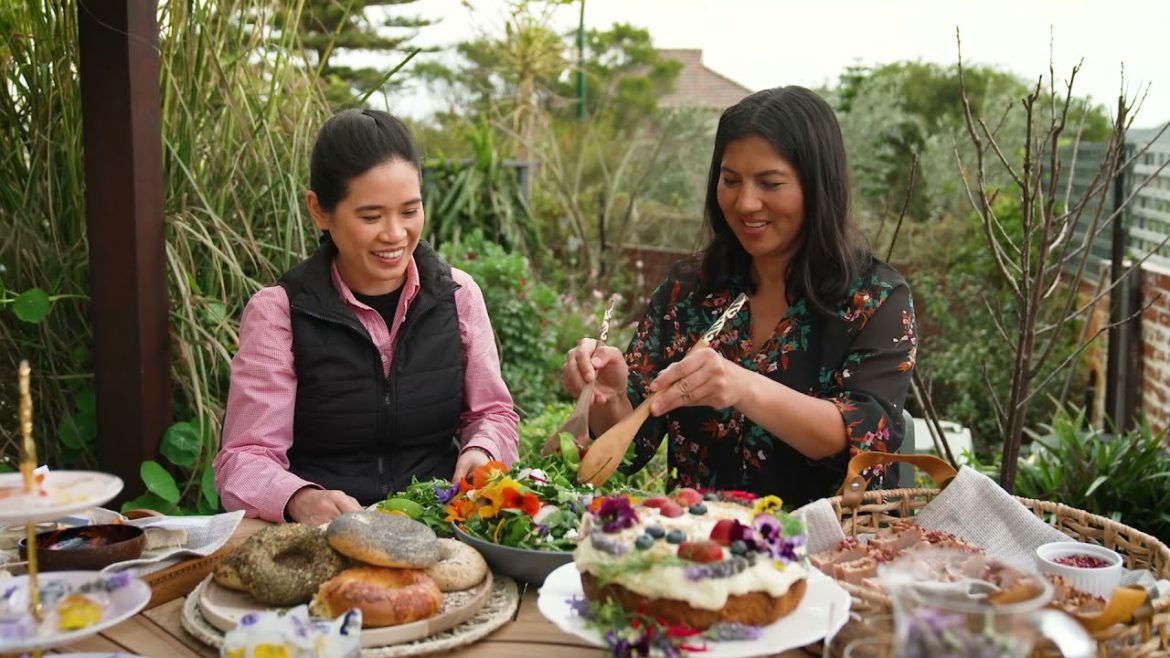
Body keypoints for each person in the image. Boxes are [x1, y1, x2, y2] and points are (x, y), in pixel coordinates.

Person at [562, 86, 917, 507]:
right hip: (699, 548)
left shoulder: (874, 299)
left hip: (827, 553)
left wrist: (741, 386)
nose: (746, 202)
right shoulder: (688, 291)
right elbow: (631, 443)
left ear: (819, 187)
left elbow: (865, 438)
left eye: (770, 183)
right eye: (730, 181)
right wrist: (610, 394)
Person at [215, 109, 520, 524]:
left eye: (409, 211)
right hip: (328, 534)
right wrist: (299, 498)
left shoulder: (459, 295)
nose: (395, 234)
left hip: (441, 525)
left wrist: (482, 450)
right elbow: (243, 459)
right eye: (371, 216)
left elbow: (493, 414)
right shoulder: (279, 313)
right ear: (320, 211)